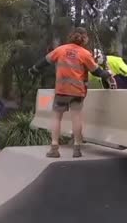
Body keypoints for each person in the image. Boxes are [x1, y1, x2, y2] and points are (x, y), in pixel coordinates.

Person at [28, 27, 112, 158]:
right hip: (77, 91)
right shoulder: (85, 54)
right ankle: (77, 148)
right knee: (76, 118)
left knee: (56, 118)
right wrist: (108, 74)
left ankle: (54, 148)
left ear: (71, 36)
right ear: (84, 39)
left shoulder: (60, 50)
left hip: (61, 90)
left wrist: (33, 70)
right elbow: (96, 71)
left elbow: (44, 62)